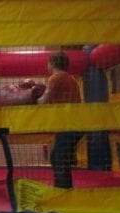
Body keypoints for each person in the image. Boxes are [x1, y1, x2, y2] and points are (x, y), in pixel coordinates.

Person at [37, 51, 83, 189]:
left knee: (58, 159)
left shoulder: (55, 78)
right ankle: (66, 188)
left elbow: (43, 101)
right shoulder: (71, 78)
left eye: (48, 62)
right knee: (62, 158)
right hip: (75, 124)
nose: (47, 65)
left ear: (52, 63)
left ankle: (62, 191)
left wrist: (31, 97)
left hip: (67, 125)